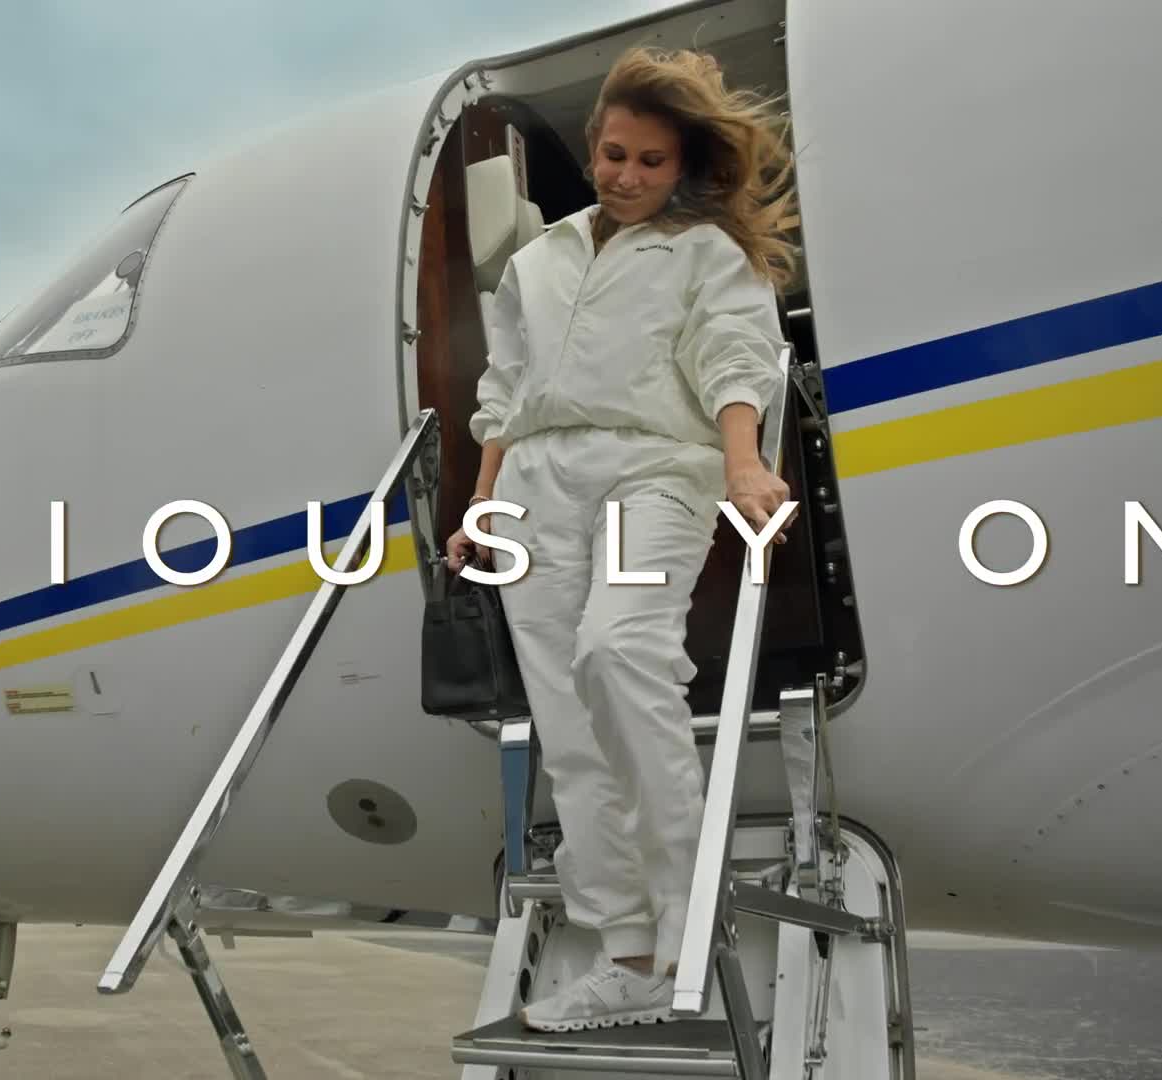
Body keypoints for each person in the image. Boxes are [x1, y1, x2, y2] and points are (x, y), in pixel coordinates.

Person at [445, 46, 797, 1032]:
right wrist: (482, 500)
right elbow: (504, 392)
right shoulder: (536, 262)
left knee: (619, 651)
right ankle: (630, 954)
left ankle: (689, 927)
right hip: (536, 485)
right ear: (594, 144)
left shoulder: (704, 253)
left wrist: (743, 463)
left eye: (651, 162)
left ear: (679, 166)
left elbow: (735, 357)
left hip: (656, 467)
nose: (628, 177)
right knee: (568, 728)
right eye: (614, 155)